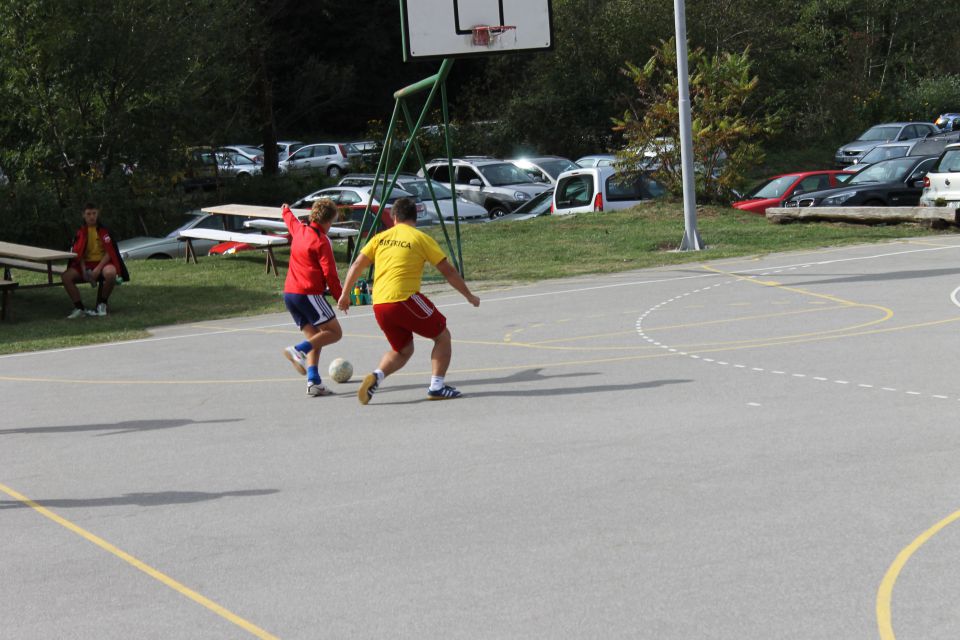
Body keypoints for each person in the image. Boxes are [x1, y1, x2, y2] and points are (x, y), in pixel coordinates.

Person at [337, 196, 479, 404]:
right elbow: (448, 272)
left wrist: (345, 294)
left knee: (403, 350)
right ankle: (437, 387)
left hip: (379, 304)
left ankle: (377, 376)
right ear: (416, 217)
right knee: (442, 336)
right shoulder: (420, 238)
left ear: (393, 217)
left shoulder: (380, 238)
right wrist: (468, 295)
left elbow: (357, 265)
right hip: (404, 298)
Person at [280, 199, 344, 397]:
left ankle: (313, 381)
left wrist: (286, 210)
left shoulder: (300, 230)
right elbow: (330, 274)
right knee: (334, 332)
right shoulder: (321, 241)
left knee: (316, 337)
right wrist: (340, 297)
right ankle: (298, 350)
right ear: (329, 221)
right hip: (308, 294)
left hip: (290, 294)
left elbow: (289, 220)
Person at [62, 203, 130, 318]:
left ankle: (102, 303)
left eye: (94, 213)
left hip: (103, 262)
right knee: (66, 277)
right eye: (88, 214)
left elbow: (110, 252)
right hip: (86, 263)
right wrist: (83, 270)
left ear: (98, 214)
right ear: (83, 215)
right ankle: (79, 308)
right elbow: (79, 253)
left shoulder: (105, 230)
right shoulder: (80, 232)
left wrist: (98, 269)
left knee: (111, 273)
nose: (91, 217)